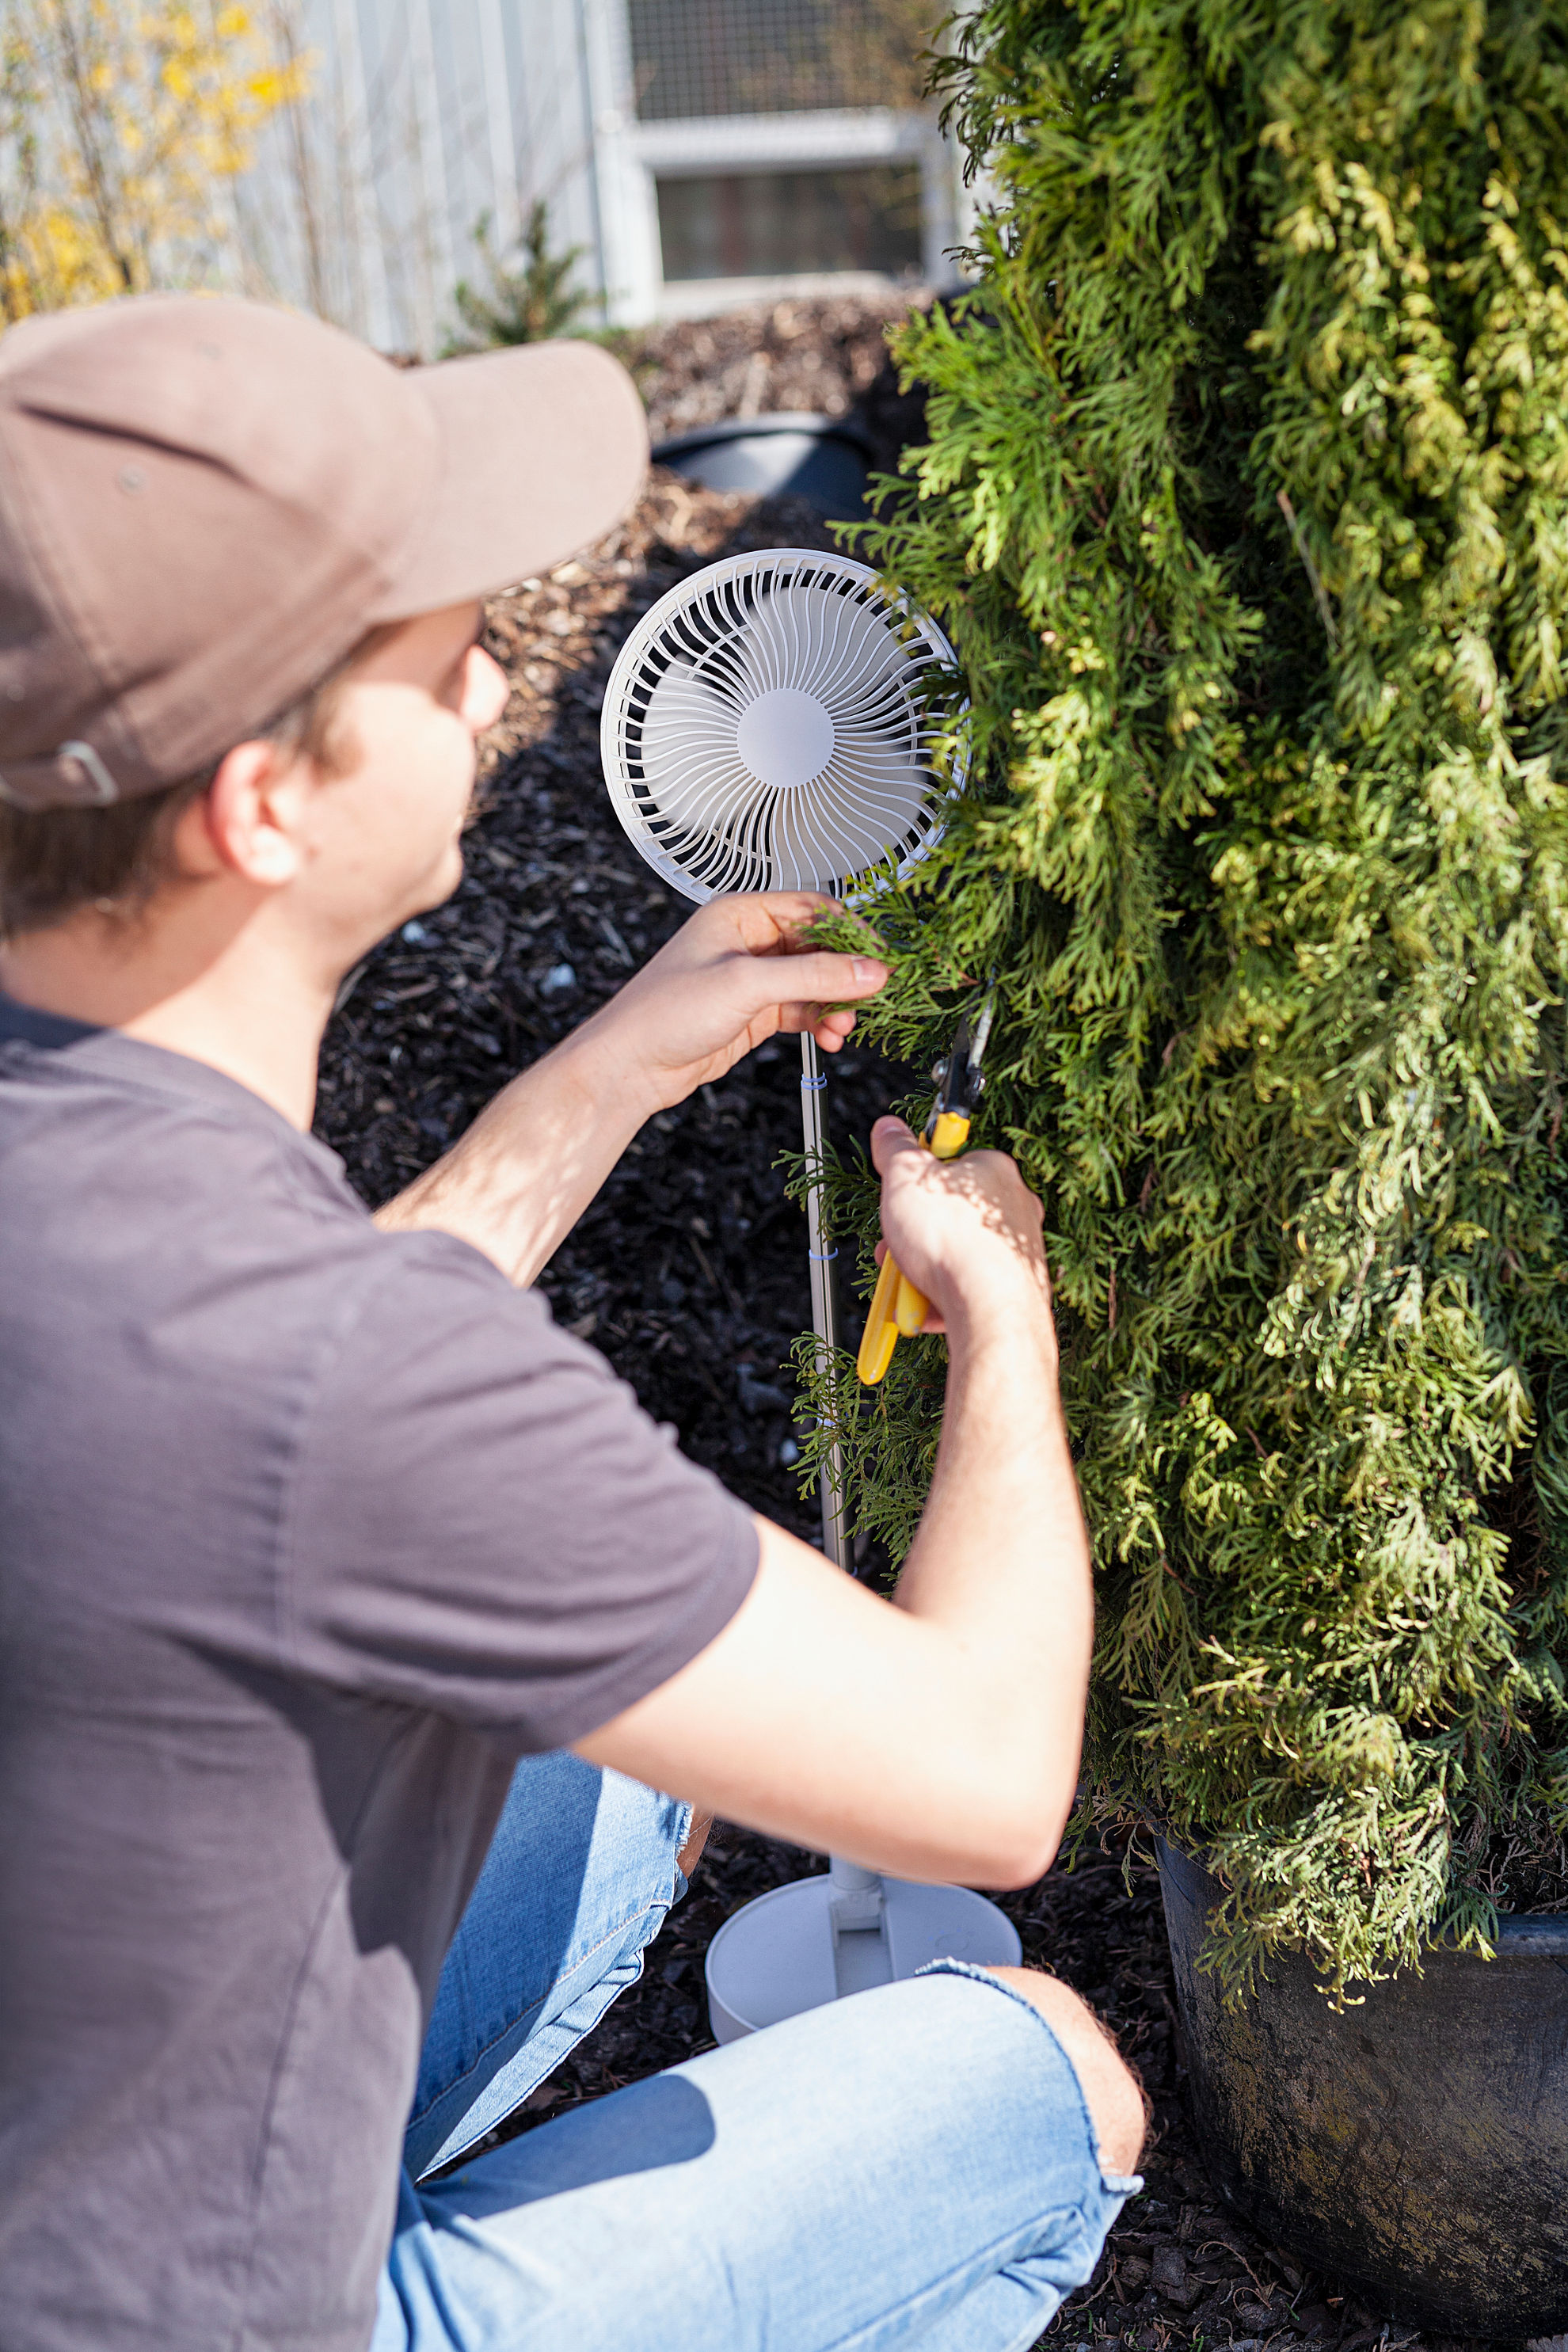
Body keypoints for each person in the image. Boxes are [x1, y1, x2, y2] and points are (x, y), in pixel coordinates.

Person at [0, 294, 1144, 2352]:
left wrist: (600, 1073)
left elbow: (262, 1412)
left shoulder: (100, 1179)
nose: (504, 669)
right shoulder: (342, 1379)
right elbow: (988, 1775)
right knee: (1051, 2073)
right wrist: (1005, 1309)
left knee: (627, 1773)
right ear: (263, 801)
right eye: (443, 649)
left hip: (71, 2142)